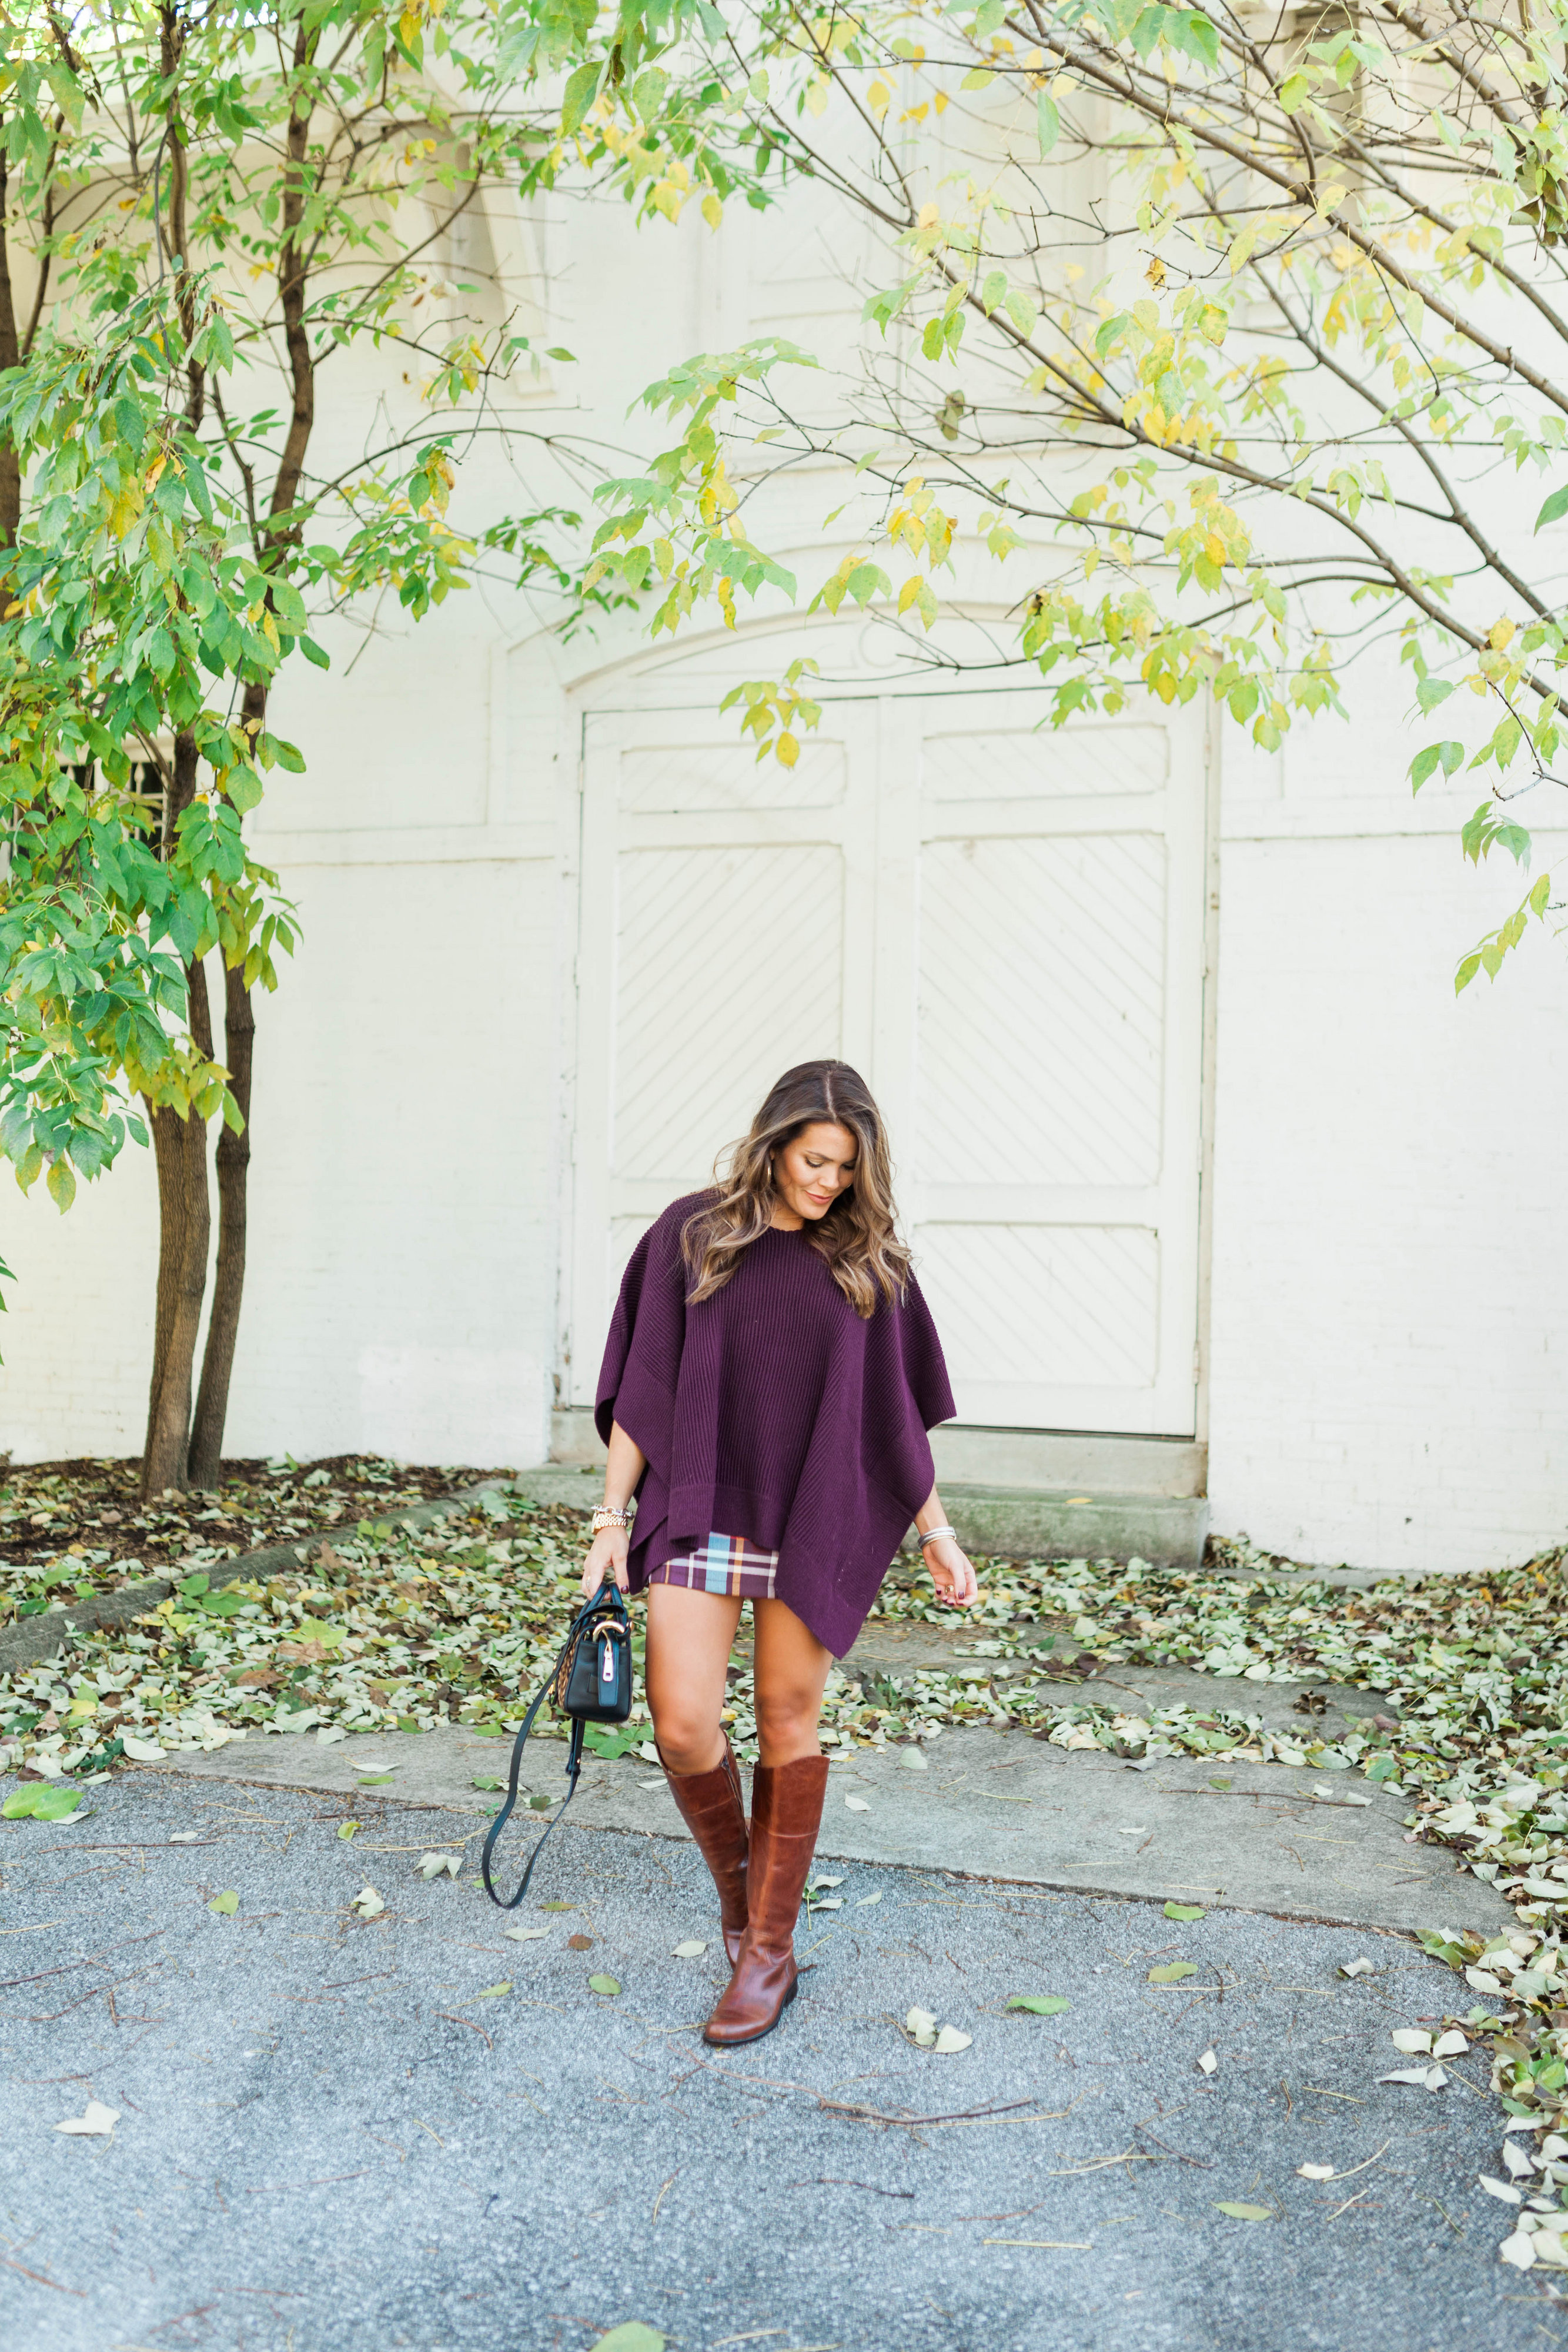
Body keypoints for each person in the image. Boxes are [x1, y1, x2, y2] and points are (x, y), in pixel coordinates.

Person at [581, 1058, 978, 2047]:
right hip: (704, 1502)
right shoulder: (695, 1233)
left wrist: (937, 1532)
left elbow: (894, 1424)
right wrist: (609, 1521)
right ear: (775, 1142)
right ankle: (744, 1900)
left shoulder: (868, 1264)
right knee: (681, 1725)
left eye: (846, 1169)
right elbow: (645, 1387)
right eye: (814, 1160)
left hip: (812, 1516)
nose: (827, 1184)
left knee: (786, 1721)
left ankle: (767, 1952)